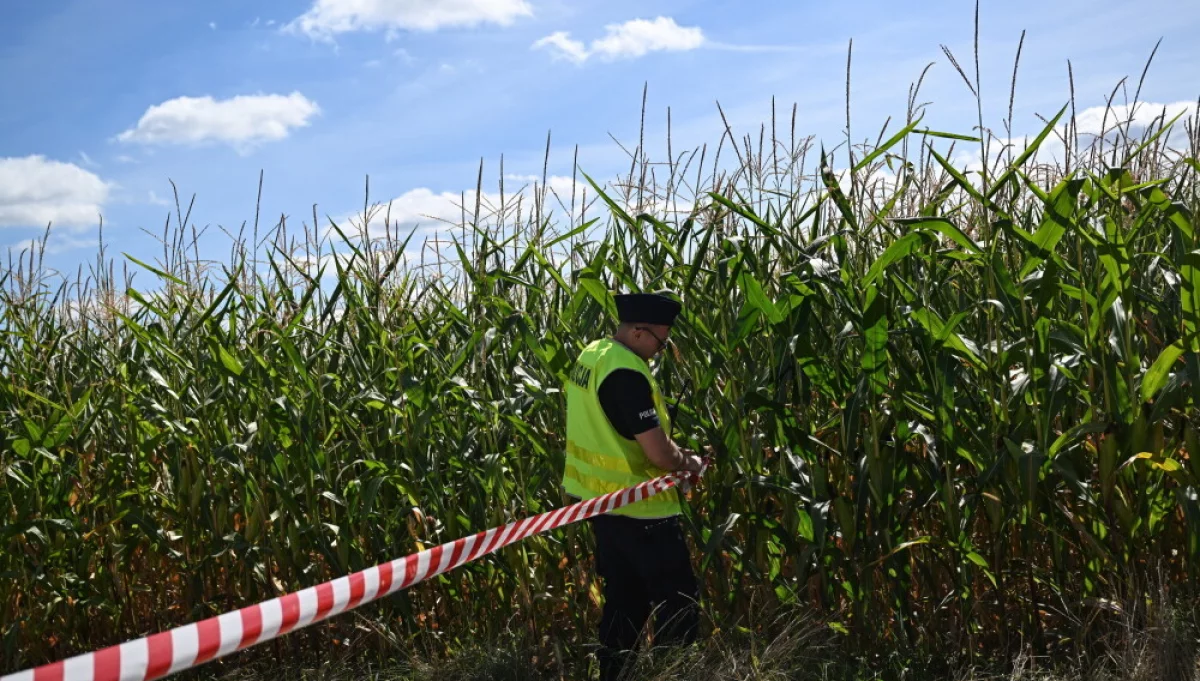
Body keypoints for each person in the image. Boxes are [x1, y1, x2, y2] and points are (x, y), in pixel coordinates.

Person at [561, 290, 705, 681]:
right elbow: (658, 453)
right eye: (661, 340)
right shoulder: (626, 371)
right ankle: (671, 674)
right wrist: (687, 462)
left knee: (624, 604)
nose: (661, 350)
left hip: (601, 505)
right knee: (680, 606)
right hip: (643, 511)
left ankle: (614, 675)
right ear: (640, 332)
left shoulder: (592, 355)